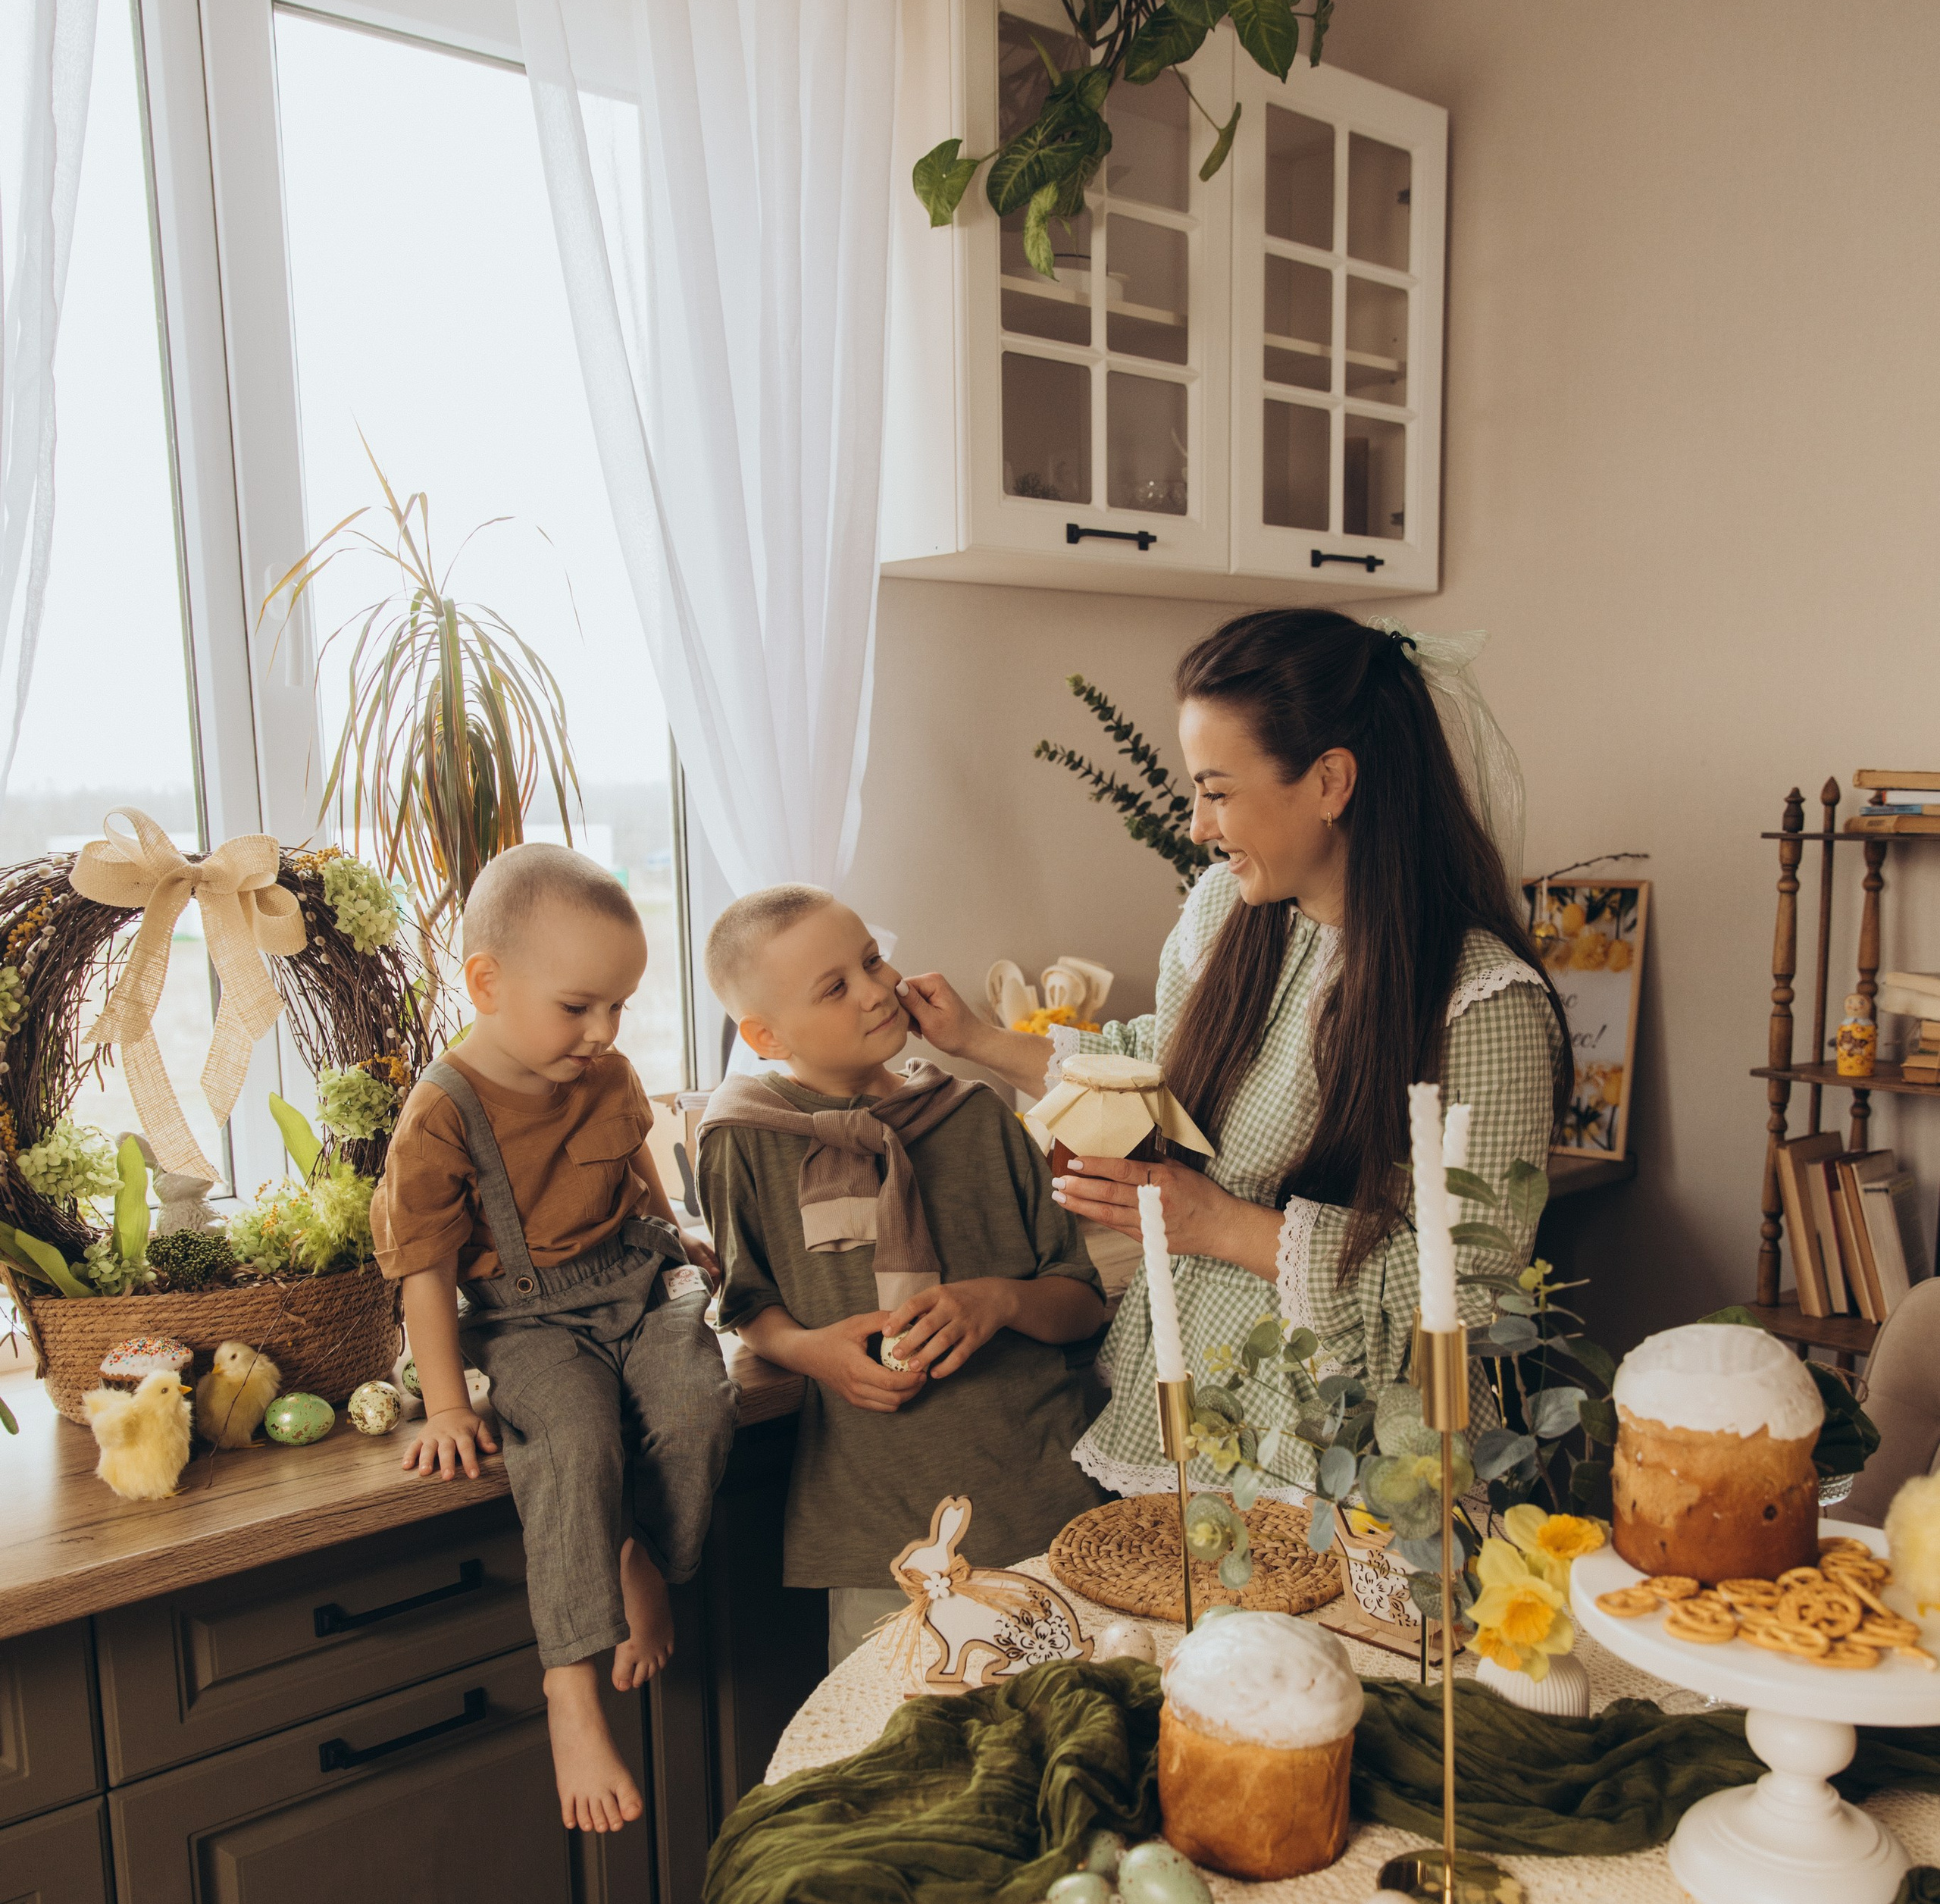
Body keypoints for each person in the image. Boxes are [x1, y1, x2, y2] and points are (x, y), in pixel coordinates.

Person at [899, 609, 1569, 1499]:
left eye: (1217, 791)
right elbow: (1150, 1064)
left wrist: (1218, 1225)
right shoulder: (1227, 911)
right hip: (1196, 1394)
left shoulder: (1483, 1003)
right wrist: (975, 1043)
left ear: (1330, 781)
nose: (1197, 824)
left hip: (1361, 1448)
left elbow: (1475, 1289)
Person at [372, 844, 734, 1834]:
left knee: (699, 1407)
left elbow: (635, 1172)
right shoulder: (443, 1116)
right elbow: (425, 1276)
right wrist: (448, 1405)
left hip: (637, 1281)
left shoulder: (605, 1070)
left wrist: (680, 1232)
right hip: (526, 1320)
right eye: (579, 1006)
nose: (605, 1031)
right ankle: (570, 1685)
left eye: (620, 1005)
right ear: (487, 983)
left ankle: (647, 1558)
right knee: (572, 1447)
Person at [696, 888, 1106, 1666]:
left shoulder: (977, 1116)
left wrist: (1002, 1300)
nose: (876, 989)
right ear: (765, 1035)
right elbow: (747, 1301)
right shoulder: (740, 1141)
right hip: (882, 1541)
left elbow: (1082, 1303)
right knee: (903, 1764)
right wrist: (812, 1351)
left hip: (1047, 1512)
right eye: (836, 986)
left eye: (872, 961)